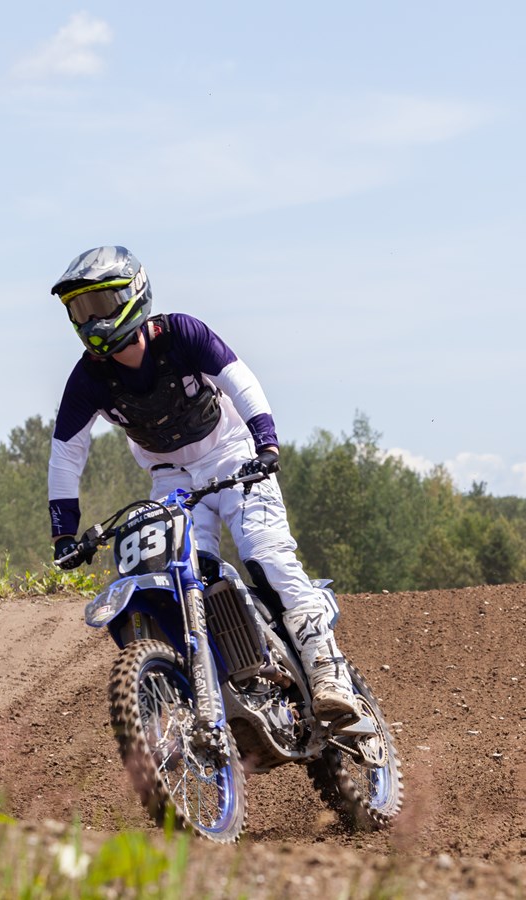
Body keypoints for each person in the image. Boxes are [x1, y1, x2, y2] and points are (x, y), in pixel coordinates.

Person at [47, 245, 357, 723]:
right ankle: (223, 681)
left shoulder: (181, 334)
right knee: (179, 577)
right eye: (79, 310)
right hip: (169, 477)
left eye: (100, 305)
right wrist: (64, 533)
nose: (91, 321)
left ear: (133, 296)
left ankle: (326, 670)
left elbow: (238, 379)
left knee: (266, 554)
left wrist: (266, 442)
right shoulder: (88, 379)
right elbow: (67, 452)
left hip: (231, 453)